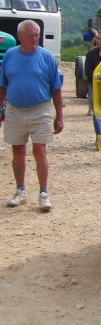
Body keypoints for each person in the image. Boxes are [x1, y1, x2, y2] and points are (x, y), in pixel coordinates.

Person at [0, 20, 63, 212]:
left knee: (40, 151)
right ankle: (20, 191)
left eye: (37, 35)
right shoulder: (10, 56)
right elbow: (3, 85)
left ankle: (43, 193)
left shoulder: (47, 57)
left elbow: (56, 89)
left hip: (40, 109)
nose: (35, 39)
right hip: (14, 110)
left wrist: (59, 116)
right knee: (17, 151)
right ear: (20, 36)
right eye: (31, 35)